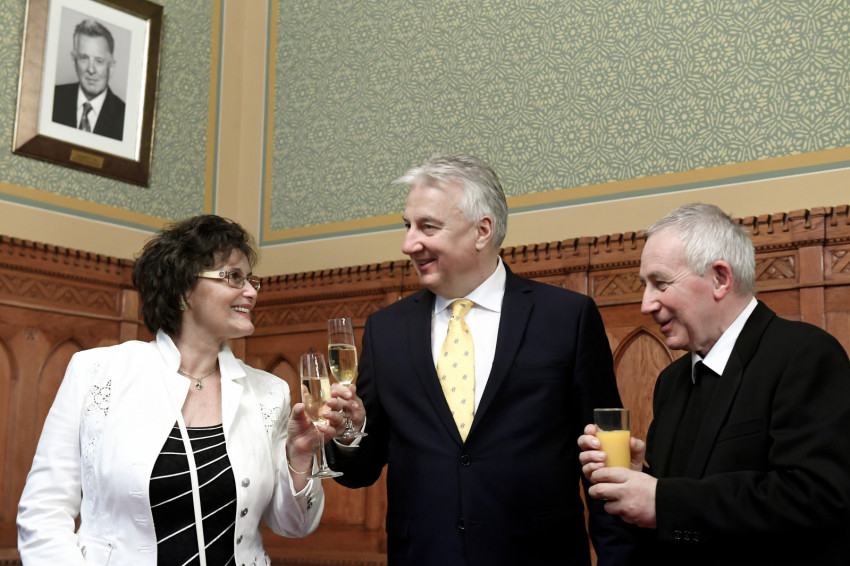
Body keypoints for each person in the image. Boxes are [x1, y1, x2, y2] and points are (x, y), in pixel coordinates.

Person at [328, 154, 634, 565]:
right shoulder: (386, 330)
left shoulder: (567, 318)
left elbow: (606, 459)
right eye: (407, 226)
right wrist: (349, 431)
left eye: (427, 227)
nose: (408, 244)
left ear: (482, 231)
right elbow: (360, 471)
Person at [17, 214, 346, 565]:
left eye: (250, 279)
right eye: (233, 277)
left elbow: (294, 525)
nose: (251, 292)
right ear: (183, 291)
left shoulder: (270, 392)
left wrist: (299, 456)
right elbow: (43, 510)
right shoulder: (96, 373)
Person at [578, 203, 850, 565]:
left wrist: (662, 500)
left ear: (720, 278)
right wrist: (637, 478)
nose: (646, 304)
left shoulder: (805, 355)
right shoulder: (671, 381)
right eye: (645, 286)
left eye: (660, 283)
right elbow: (686, 526)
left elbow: (817, 499)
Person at [52, 19, 125, 141]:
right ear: (74, 61)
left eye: (99, 61)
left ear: (111, 67)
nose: (91, 69)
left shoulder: (125, 117)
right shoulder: (52, 98)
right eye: (84, 58)